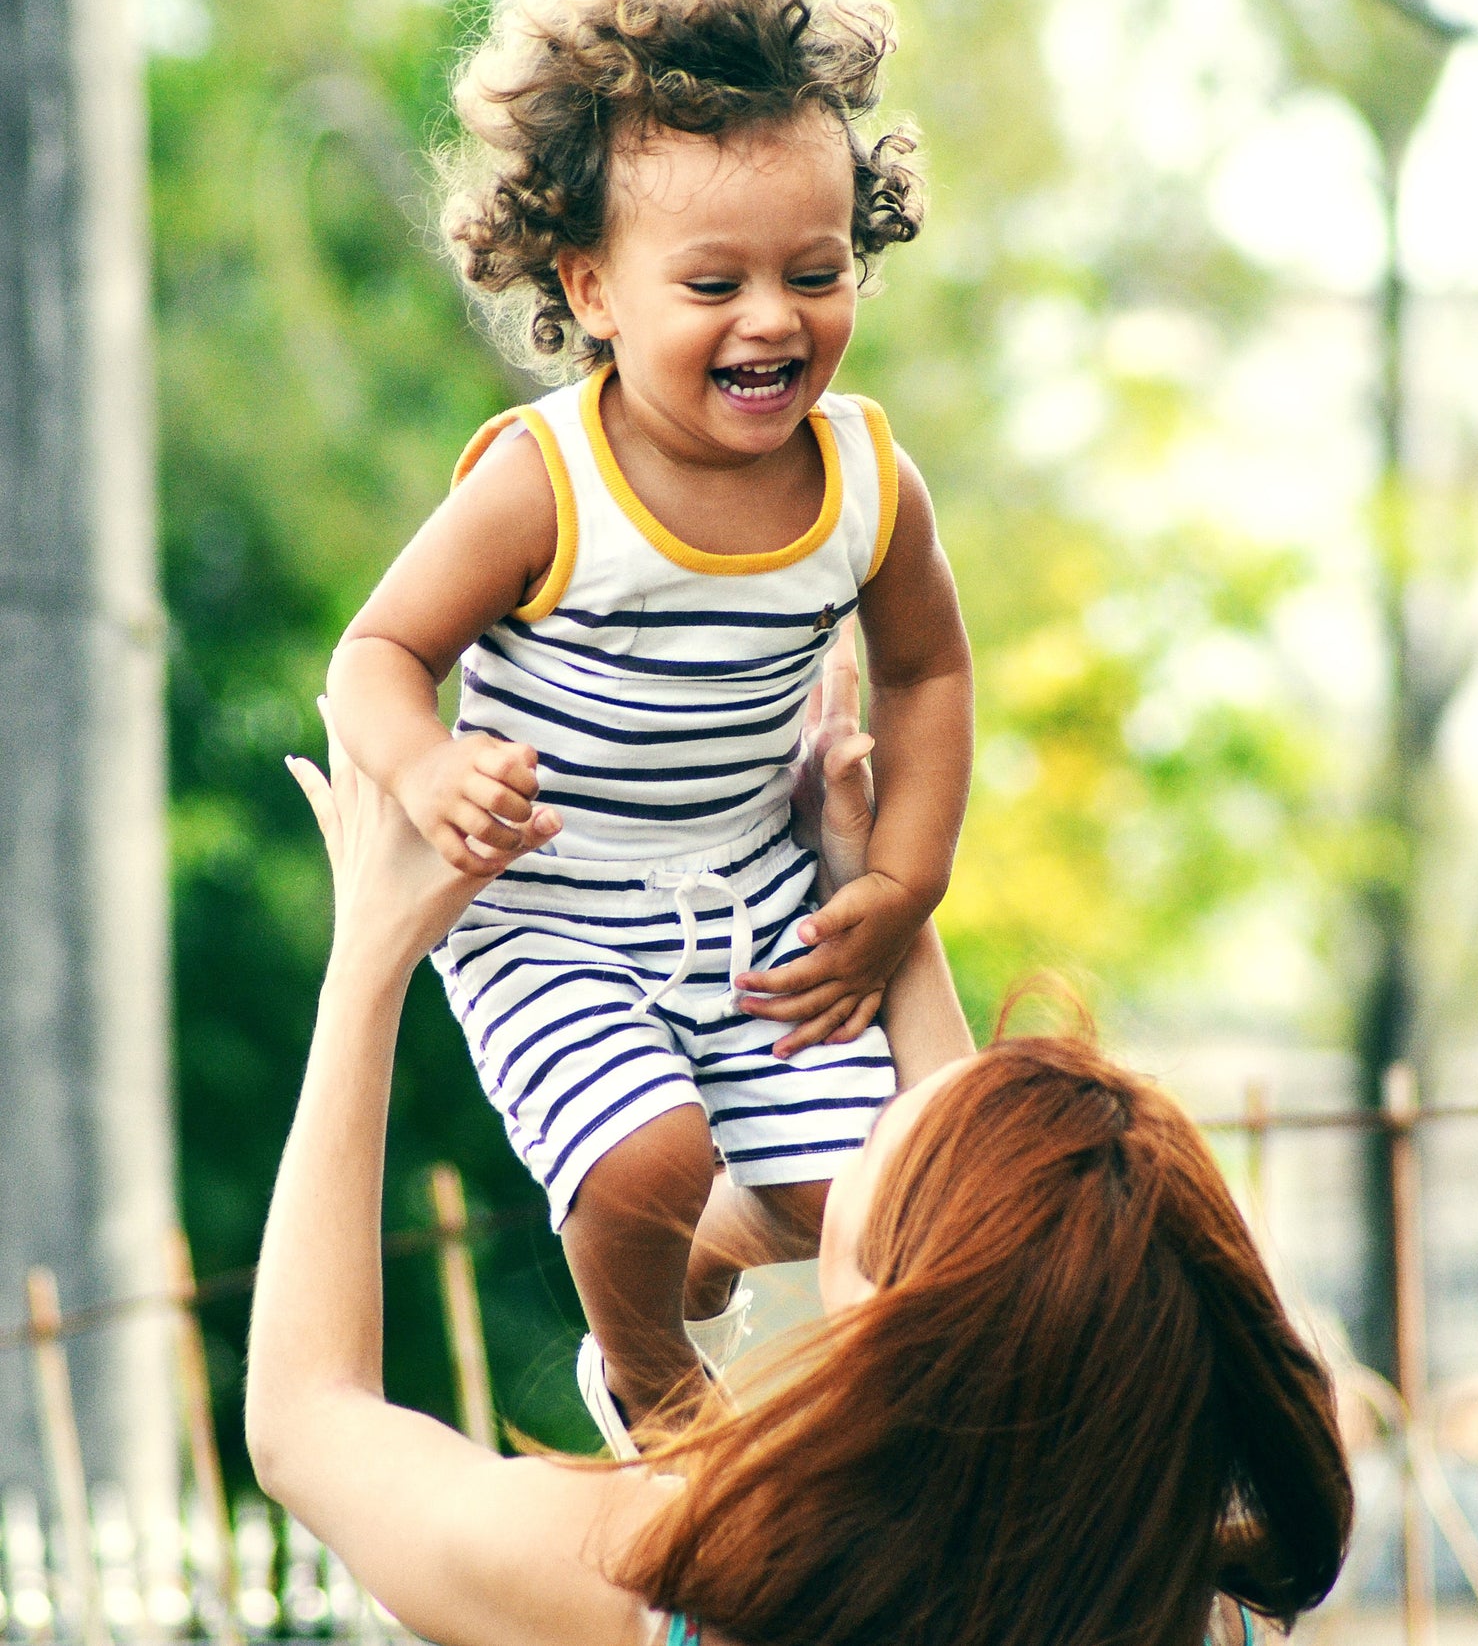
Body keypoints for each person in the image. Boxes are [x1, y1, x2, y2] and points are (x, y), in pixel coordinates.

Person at [248, 681, 1353, 1646]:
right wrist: (871, 891)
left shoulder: (660, 1587)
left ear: (889, 1319)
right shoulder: (1196, 1613)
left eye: (879, 1140)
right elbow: (989, 1250)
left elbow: (309, 1424)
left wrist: (368, 963)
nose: (878, 1108)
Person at [324, 0, 973, 1447]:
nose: (773, 319)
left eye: (815, 273)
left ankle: (702, 1247)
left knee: (858, 1198)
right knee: (640, 1160)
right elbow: (375, 652)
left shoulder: (868, 482)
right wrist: (428, 766)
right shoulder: (547, 484)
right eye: (714, 284)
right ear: (591, 288)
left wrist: (899, 884)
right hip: (550, 902)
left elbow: (932, 677)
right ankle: (655, 1387)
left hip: (750, 888)